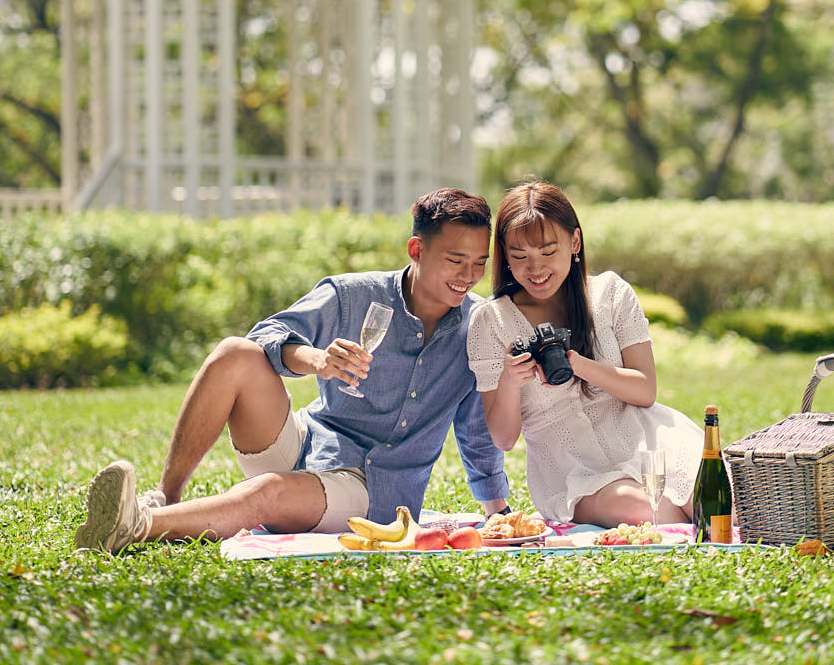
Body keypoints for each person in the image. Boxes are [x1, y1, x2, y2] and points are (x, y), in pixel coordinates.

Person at [74, 188, 511, 553]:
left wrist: (499, 512)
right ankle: (166, 495)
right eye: (456, 260)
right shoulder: (353, 294)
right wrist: (315, 360)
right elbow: (270, 333)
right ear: (417, 249)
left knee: (268, 493)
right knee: (234, 353)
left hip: (374, 488)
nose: (468, 275)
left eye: (479, 263)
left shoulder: (479, 328)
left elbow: (477, 431)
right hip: (308, 444)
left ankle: (136, 525)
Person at [466, 180, 702, 528]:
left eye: (548, 252)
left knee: (718, 499)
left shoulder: (610, 293)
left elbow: (645, 391)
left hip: (646, 438)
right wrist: (510, 381)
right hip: (573, 470)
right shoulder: (491, 320)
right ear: (504, 254)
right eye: (520, 257)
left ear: (574, 242)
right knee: (651, 513)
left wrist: (577, 363)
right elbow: (503, 439)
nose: (536, 269)